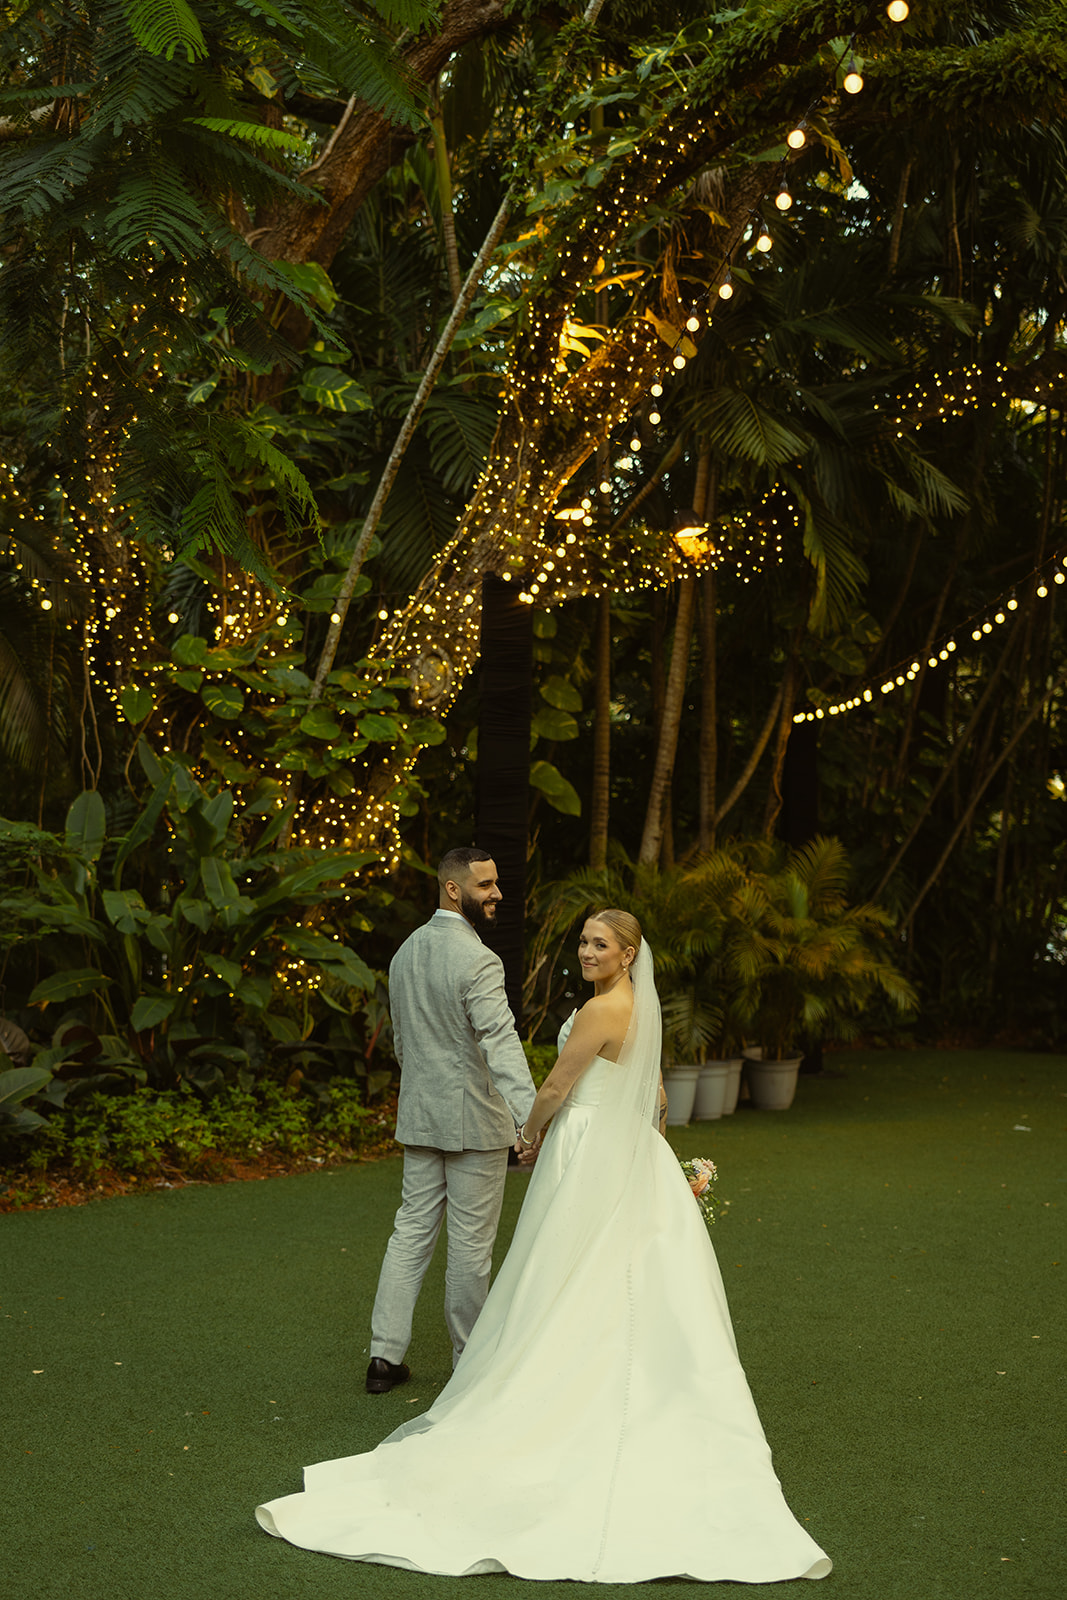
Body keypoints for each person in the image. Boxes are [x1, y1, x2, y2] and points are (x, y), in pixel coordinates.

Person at [257, 909, 832, 1583]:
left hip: (586, 1146)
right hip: (630, 1149)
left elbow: (558, 1085)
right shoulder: (639, 1010)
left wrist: (526, 1136)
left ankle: (565, 1383)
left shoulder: (597, 1013)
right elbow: (654, 1096)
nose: (585, 951)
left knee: (565, 1268)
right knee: (622, 1269)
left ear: (626, 956)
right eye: (582, 941)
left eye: (599, 944)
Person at [363, 846, 537, 1396]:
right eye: (486, 885)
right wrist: (533, 1120)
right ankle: (470, 1362)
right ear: (454, 889)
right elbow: (501, 1045)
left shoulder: (404, 953)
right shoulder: (479, 960)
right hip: (473, 1125)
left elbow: (402, 1045)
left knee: (409, 1233)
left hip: (420, 1116)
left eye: (496, 882)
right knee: (470, 1247)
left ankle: (383, 1357)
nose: (497, 893)